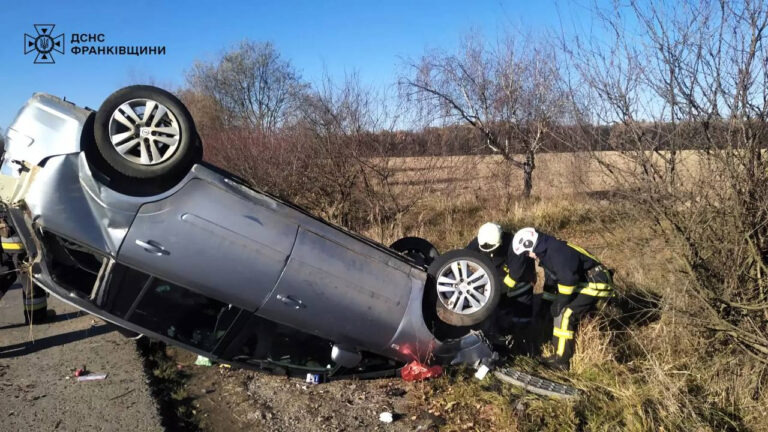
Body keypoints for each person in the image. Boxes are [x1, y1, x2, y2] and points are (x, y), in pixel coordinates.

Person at [511, 227, 614, 370]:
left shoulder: (555, 250)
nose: (529, 256)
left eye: (527, 252)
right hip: (587, 281)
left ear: (531, 244)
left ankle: (562, 361)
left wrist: (561, 302)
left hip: (597, 282)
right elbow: (554, 280)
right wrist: (549, 303)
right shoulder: (549, 249)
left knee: (567, 314)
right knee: (561, 312)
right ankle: (558, 353)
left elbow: (569, 280)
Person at [466, 223, 540, 351]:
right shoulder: (479, 241)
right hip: (498, 282)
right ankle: (500, 341)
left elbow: (515, 276)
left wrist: (493, 291)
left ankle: (523, 346)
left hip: (520, 285)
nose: (489, 251)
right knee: (499, 316)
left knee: (521, 319)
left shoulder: (514, 245)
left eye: (492, 249)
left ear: (500, 241)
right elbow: (465, 258)